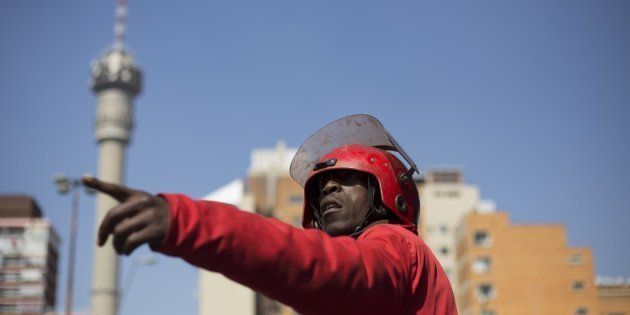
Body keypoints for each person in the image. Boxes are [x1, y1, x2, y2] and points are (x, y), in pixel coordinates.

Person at [83, 115, 457, 314]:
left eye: (346, 179)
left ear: (385, 191)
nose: (327, 189)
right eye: (321, 184)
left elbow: (325, 268)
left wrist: (185, 222)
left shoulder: (394, 244)